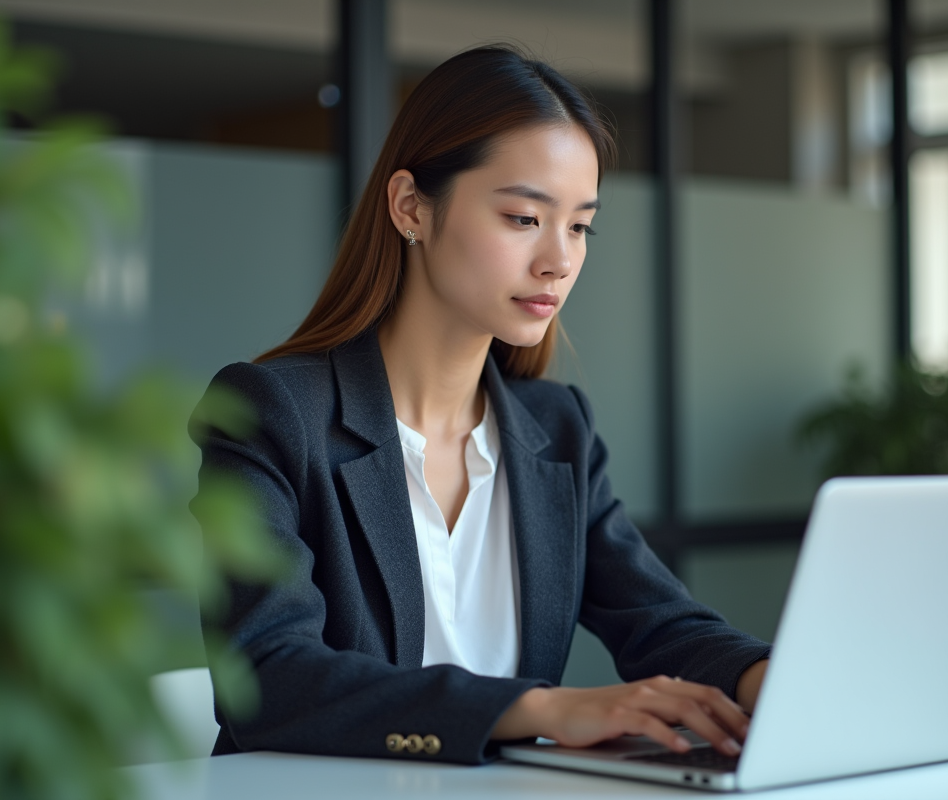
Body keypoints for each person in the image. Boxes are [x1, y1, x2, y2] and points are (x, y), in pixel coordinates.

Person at [191, 45, 770, 767]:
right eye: (525, 218)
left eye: (580, 225)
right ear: (411, 208)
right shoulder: (273, 414)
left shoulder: (556, 429)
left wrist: (771, 680)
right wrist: (537, 709)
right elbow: (270, 676)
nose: (559, 258)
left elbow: (661, 621)